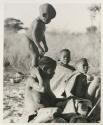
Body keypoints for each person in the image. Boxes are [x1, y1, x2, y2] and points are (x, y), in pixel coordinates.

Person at [21, 56, 57, 122]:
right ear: (45, 68)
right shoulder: (31, 80)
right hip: (32, 117)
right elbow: (42, 89)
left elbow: (53, 99)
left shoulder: (46, 81)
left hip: (46, 115)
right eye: (53, 70)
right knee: (56, 112)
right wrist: (38, 74)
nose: (54, 73)